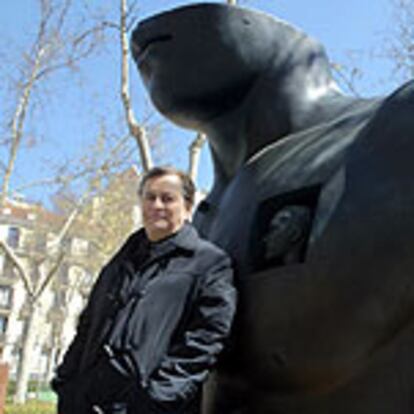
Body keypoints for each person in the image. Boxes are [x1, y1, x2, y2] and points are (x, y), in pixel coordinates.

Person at [51, 166, 237, 414]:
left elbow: (207, 337)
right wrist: (66, 383)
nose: (157, 205)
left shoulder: (209, 263)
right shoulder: (117, 264)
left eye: (168, 198)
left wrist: (158, 398)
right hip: (86, 402)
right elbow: (86, 326)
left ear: (188, 206)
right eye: (150, 197)